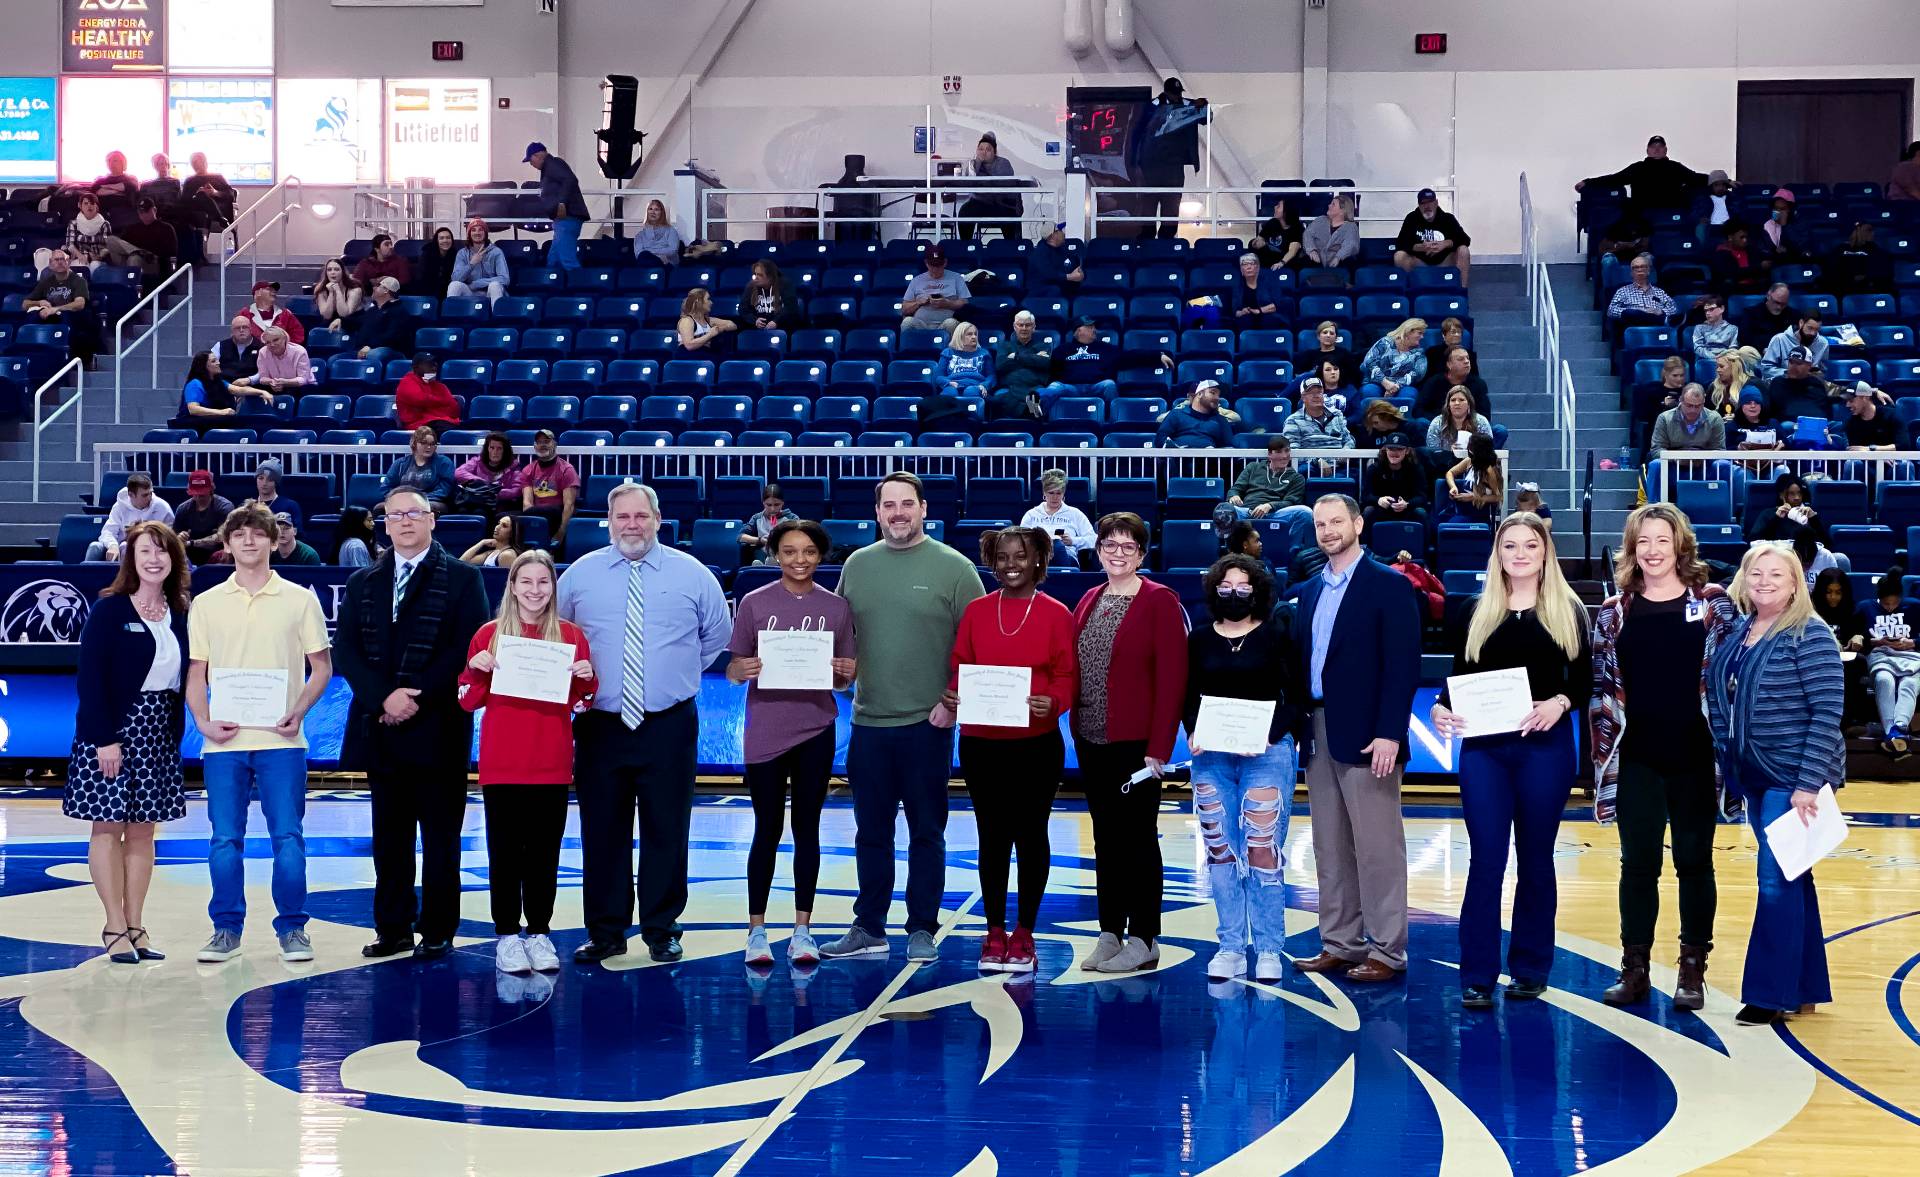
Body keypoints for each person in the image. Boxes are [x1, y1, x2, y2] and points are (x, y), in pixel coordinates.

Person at [558, 481, 732, 963]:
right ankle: (607, 930)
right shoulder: (579, 575)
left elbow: (716, 634)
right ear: (608, 522)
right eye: (623, 517)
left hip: (669, 722)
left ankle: (661, 927)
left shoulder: (693, 574)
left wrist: (670, 675)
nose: (632, 525)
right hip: (600, 724)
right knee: (602, 828)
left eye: (641, 516)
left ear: (658, 520)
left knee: (667, 828)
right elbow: (561, 634)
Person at [820, 473, 983, 963]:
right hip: (869, 724)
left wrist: (952, 699)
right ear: (876, 513)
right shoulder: (857, 565)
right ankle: (869, 925)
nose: (897, 513)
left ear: (923, 508)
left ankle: (921, 928)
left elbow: (977, 646)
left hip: (925, 726)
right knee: (870, 832)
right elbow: (843, 636)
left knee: (926, 833)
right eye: (888, 505)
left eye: (906, 504)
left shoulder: (954, 569)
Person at [1431, 513, 1590, 1008]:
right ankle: (1477, 973)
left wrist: (1559, 702)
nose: (1519, 554)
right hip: (1485, 752)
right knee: (1485, 861)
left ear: (1546, 553)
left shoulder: (1569, 610)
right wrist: (1440, 707)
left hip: (1544, 748)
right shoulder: (1475, 611)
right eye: (1510, 546)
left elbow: (1584, 682)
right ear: (1497, 555)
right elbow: (1459, 677)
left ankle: (1530, 966)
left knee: (1537, 859)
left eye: (1529, 545)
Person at [1590, 504, 1739, 1009]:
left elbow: (1734, 677)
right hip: (1637, 760)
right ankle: (1635, 970)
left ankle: (1692, 971)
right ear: (1632, 549)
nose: (1653, 550)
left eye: (1662, 539)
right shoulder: (1613, 613)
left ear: (1681, 544)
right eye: (1643, 541)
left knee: (1695, 865)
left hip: (1697, 757)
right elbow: (1601, 688)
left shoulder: (1714, 604)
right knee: (1638, 866)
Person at [333, 488, 490, 960]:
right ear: (384, 525)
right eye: (394, 515)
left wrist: (410, 695)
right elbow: (347, 652)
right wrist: (384, 697)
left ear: (431, 521)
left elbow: (467, 647)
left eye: (413, 514)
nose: (404, 522)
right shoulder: (365, 581)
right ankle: (393, 928)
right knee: (390, 839)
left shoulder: (464, 579)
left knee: (442, 839)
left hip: (438, 727)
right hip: (382, 727)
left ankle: (439, 928)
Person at [186, 503, 333, 965]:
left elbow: (322, 667)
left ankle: (293, 929)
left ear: (273, 541)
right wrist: (204, 722)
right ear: (226, 545)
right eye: (240, 534)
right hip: (224, 743)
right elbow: (195, 674)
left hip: (282, 740)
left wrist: (299, 711)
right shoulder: (207, 603)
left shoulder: (300, 598)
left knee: (287, 836)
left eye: (258, 533)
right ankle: (225, 929)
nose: (249, 540)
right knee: (224, 839)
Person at [1705, 542, 1844, 1026]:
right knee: (1792, 877)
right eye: (1755, 573)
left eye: (1776, 574)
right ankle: (1803, 987)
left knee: (1774, 882)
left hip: (1792, 778)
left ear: (1795, 584)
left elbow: (1828, 712)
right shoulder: (1741, 631)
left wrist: (1808, 782)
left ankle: (1769, 993)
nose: (1764, 581)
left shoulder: (1811, 634)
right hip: (1756, 776)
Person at [1292, 495, 1421, 982]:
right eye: (1320, 524)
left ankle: (1388, 950)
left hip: (1371, 735)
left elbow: (1402, 666)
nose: (1327, 531)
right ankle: (1340, 942)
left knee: (1378, 847)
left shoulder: (1388, 585)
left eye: (1336, 522)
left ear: (1359, 524)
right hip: (1319, 729)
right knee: (1329, 845)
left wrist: (1391, 732)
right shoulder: (1307, 590)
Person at [941, 527, 1076, 972]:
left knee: (1031, 836)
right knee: (992, 838)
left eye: (1021, 555)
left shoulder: (1056, 613)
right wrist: (955, 693)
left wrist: (1053, 702)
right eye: (1001, 556)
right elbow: (960, 665)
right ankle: (994, 931)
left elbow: (1066, 676)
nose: (1010, 564)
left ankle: (1025, 933)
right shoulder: (978, 611)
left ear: (1039, 561)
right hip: (982, 743)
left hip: (1035, 744)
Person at [458, 549, 596, 975]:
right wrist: (476, 670)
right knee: (503, 853)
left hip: (551, 761)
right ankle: (506, 936)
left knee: (543, 853)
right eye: (526, 582)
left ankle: (539, 932)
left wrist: (588, 680)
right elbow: (466, 701)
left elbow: (583, 704)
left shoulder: (571, 635)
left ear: (553, 588)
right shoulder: (488, 635)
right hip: (502, 761)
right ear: (512, 586)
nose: (535, 590)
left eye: (543, 582)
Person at [726, 519, 856, 966]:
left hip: (815, 730)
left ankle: (803, 929)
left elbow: (845, 678)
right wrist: (740, 671)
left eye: (808, 552)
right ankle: (756, 930)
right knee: (766, 829)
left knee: (807, 829)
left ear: (820, 556)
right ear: (774, 554)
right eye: (789, 551)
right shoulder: (754, 602)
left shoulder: (837, 608)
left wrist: (844, 672)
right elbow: (733, 668)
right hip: (765, 732)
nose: (799, 560)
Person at [67, 522, 191, 965]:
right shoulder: (110, 610)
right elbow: (91, 679)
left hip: (157, 735)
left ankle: (137, 925)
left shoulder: (180, 610)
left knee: (143, 833)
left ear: (174, 559)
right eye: (144, 552)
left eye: (162, 551)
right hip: (112, 734)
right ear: (131, 559)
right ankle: (113, 925)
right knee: (107, 828)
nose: (154, 559)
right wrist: (104, 739)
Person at [1071, 511, 1186, 973]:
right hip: (1091, 738)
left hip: (1137, 744)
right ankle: (1109, 932)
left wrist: (1159, 747)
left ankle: (1144, 936)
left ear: (1142, 553)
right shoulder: (1089, 598)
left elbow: (1173, 679)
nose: (1118, 553)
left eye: (1128, 546)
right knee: (1105, 839)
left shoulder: (1160, 600)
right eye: (1110, 544)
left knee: (1138, 839)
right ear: (1098, 550)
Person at [1186, 553, 1298, 983]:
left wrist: (1268, 735)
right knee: (1220, 849)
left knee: (1262, 848)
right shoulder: (1199, 639)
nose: (1234, 593)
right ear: (1215, 590)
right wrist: (1193, 730)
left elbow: (1297, 695)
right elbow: (1188, 695)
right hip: (1212, 756)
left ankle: (1269, 946)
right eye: (1226, 586)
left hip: (1267, 752)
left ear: (1259, 590)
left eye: (1243, 586)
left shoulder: (1277, 635)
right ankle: (1231, 945)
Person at [1214, 435, 1316, 555]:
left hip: (1275, 513)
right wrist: (1233, 496)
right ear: (1269, 454)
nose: (1284, 456)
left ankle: (1293, 551)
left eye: (1287, 451)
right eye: (1279, 452)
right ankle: (1229, 551)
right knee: (1223, 508)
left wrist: (1270, 505)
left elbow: (1292, 501)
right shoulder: (1253, 467)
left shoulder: (1296, 477)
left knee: (1305, 512)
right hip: (1246, 511)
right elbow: (1236, 488)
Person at [1134, 78, 1206, 239]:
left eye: (1178, 93)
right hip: (1151, 164)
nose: (1176, 97)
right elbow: (1138, 130)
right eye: (1174, 94)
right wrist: (1136, 162)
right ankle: (1147, 239)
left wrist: (1203, 104)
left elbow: (1206, 116)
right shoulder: (1152, 105)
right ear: (1166, 92)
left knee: (1171, 205)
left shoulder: (1187, 104)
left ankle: (1167, 240)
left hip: (1174, 165)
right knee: (1148, 204)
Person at [1859, 569, 1920, 753]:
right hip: (1881, 656)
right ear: (1879, 598)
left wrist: (1913, 642)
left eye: (1895, 603)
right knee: (1884, 681)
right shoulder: (1865, 608)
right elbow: (1854, 637)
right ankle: (1894, 733)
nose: (1891, 607)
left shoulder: (1915, 606)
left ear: (1902, 598)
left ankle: (1897, 729)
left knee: (1909, 683)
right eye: (1886, 604)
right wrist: (1870, 641)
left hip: (1911, 657)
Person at [1576, 135, 1705, 209]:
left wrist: (1720, 180)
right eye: (1653, 147)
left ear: (1665, 150)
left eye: (1660, 146)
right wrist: (1588, 182)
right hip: (1643, 215)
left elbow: (1695, 178)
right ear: (1647, 150)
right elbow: (1614, 178)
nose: (1656, 149)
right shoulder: (1638, 168)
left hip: (1672, 213)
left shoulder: (1676, 168)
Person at [23, 249, 95, 363]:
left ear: (68, 262)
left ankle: (65, 360)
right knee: (31, 317)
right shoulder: (46, 282)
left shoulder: (78, 281)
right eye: (57, 260)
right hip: (52, 316)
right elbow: (25, 304)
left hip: (71, 316)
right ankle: (30, 355)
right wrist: (39, 303)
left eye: (63, 259)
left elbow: (80, 304)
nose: (60, 262)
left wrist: (55, 309)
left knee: (65, 318)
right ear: (50, 264)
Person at [1392, 188, 1472, 286]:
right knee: (1399, 256)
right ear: (1419, 205)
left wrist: (1446, 243)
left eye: (1430, 202)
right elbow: (1400, 243)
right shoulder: (1411, 218)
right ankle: (1408, 291)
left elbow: (1466, 239)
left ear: (1436, 202)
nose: (1427, 206)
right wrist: (1420, 247)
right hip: (1420, 261)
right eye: (1423, 203)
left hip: (1444, 260)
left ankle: (1462, 290)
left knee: (1463, 250)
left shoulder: (1448, 218)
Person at [87, 473, 174, 563]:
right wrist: (112, 545)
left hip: (151, 551)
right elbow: (108, 531)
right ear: (131, 495)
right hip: (118, 549)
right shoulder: (119, 506)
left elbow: (171, 535)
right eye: (144, 495)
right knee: (94, 547)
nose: (149, 497)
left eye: (151, 493)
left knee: (126, 547)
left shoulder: (162, 507)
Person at [1023, 468, 1098, 567]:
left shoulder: (1075, 514)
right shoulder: (1031, 514)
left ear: (1064, 493)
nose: (1055, 497)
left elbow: (1093, 539)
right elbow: (1021, 541)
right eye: (1051, 493)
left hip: (1067, 557)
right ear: (1044, 492)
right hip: (1038, 556)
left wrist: (1072, 541)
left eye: (1058, 493)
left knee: (1057, 545)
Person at [515, 429, 580, 543]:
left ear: (554, 444)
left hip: (557, 513)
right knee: (503, 517)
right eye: (539, 442)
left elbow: (569, 505)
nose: (542, 445)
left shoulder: (567, 469)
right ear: (534, 446)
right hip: (535, 512)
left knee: (552, 511)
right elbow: (527, 504)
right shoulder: (528, 470)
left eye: (546, 441)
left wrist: (561, 532)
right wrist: (531, 520)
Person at [956, 132, 1022, 240]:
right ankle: (966, 246)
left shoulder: (1003, 163)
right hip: (979, 202)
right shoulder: (973, 164)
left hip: (1002, 203)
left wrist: (983, 182)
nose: (984, 152)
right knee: (965, 211)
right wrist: (977, 163)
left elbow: (1002, 185)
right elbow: (968, 183)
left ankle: (1012, 248)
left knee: (1010, 216)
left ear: (994, 152)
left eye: (988, 149)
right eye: (981, 149)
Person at [1040, 316, 1120, 404]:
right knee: (1055, 386)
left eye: (1094, 327)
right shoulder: (1063, 349)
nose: (1094, 330)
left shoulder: (1105, 348)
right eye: (1090, 327)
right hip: (1070, 387)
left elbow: (1128, 356)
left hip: (1096, 386)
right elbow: (1049, 365)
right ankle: (1034, 409)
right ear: (1078, 331)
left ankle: (1113, 416)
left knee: (1109, 384)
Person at [1362, 434, 1428, 535]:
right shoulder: (1375, 469)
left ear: (1407, 451)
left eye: (1399, 449)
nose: (1394, 453)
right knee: (1368, 511)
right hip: (1382, 509)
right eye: (1391, 449)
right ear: (1385, 450)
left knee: (1421, 513)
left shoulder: (1416, 469)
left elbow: (1422, 497)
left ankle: (1425, 549)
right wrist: (1378, 500)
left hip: (1407, 509)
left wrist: (1407, 504)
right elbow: (1366, 495)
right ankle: (1365, 546)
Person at [993, 310, 1054, 419]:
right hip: (1011, 386)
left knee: (1037, 396)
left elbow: (1045, 363)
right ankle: (1029, 411)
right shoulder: (1005, 346)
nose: (1024, 328)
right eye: (1020, 325)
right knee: (998, 399)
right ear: (1014, 326)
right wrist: (1033, 357)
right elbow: (1001, 365)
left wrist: (1016, 356)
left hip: (1034, 386)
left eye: (1028, 325)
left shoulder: (1043, 346)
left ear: (1034, 327)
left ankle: (1030, 411)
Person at [378, 427, 457, 511]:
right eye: (424, 443)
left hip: (432, 501)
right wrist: (400, 498)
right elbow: (386, 487)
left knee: (426, 508)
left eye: (433, 444)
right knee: (379, 508)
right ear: (414, 443)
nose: (429, 447)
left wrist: (418, 500)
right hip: (403, 501)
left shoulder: (444, 462)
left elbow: (445, 489)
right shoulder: (400, 463)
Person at [900, 247, 971, 333]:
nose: (935, 269)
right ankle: (909, 346)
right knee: (907, 322)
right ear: (926, 263)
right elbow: (904, 308)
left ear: (945, 263)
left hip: (945, 323)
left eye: (938, 265)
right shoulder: (916, 280)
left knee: (950, 323)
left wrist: (947, 303)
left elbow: (965, 303)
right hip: (921, 324)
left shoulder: (956, 278)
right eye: (932, 265)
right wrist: (918, 303)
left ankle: (950, 346)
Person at [354, 277, 418, 370]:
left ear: (386, 290)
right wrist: (340, 320)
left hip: (392, 351)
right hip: (366, 349)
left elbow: (391, 337)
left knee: (374, 354)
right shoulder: (373, 310)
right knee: (335, 359)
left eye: (378, 286)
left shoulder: (399, 311)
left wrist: (370, 346)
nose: (374, 288)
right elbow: (357, 321)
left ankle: (373, 383)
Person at [1746, 470, 1824, 545]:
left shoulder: (1809, 514)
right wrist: (1776, 519)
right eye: (1791, 493)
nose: (1797, 497)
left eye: (1799, 493)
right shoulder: (1768, 514)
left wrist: (1813, 520)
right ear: (1781, 495)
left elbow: (1826, 544)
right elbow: (1753, 541)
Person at [1413, 346, 1491, 420]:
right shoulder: (1434, 382)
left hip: (1469, 428)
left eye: (1468, 358)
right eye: (1461, 359)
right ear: (1449, 364)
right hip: (1439, 426)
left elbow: (1485, 415)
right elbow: (1418, 410)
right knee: (1421, 423)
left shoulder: (1479, 384)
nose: (1466, 361)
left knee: (1499, 429)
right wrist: (1441, 421)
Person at [173, 470, 234, 565]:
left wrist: (191, 543)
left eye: (201, 494)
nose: (197, 497)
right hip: (189, 558)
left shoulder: (224, 507)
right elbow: (174, 538)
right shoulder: (183, 509)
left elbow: (221, 537)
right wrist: (180, 537)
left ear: (211, 489)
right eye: (194, 493)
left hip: (217, 558)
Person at [1441, 433, 1504, 524]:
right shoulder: (1469, 461)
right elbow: (1450, 473)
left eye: (1470, 445)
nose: (1468, 447)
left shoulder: (1489, 470)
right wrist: (1453, 487)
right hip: (1461, 510)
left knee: (1451, 524)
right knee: (1440, 520)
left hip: (1478, 515)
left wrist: (1474, 497)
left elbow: (1498, 497)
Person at [453, 432, 520, 518]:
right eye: (492, 448)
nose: (495, 452)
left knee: (480, 512)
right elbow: (459, 472)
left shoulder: (513, 466)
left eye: (499, 448)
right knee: (462, 510)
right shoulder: (477, 461)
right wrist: (484, 484)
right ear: (487, 449)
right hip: (476, 500)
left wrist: (495, 492)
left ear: (505, 451)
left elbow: (516, 490)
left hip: (498, 504)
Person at [448, 218, 510, 307]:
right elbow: (456, 278)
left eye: (481, 229)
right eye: (473, 230)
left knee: (495, 285)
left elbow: (505, 279)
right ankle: (452, 318)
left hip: (490, 292)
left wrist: (477, 283)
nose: (477, 233)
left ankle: (496, 318)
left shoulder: (496, 252)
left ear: (485, 233)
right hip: (470, 292)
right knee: (454, 285)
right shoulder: (462, 253)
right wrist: (471, 264)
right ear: (469, 234)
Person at [1155, 379, 1234, 448]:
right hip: (1178, 460)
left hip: (1208, 461)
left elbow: (1229, 448)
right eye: (1213, 393)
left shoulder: (1220, 420)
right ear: (1199, 394)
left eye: (1218, 395)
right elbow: (1160, 439)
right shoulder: (1177, 414)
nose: (1217, 398)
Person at [1650, 384, 1726, 456]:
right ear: (1681, 400)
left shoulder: (1715, 419)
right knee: (1656, 464)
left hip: (1705, 463)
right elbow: (1656, 450)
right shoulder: (1665, 418)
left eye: (1697, 406)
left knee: (1723, 464)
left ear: (1703, 402)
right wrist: (1678, 458)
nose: (1693, 410)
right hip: (1672, 463)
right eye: (1689, 405)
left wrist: (1701, 458)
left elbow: (1719, 450)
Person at [1361, 318, 1429, 396]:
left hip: (1403, 386)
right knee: (1369, 391)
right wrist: (1385, 382)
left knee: (1409, 394)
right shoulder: (1385, 342)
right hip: (1377, 382)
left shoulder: (1419, 353)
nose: (1422, 337)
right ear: (1408, 332)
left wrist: (1395, 387)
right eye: (1419, 333)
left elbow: (1417, 374)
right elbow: (1369, 362)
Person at [1606, 254, 1678, 328]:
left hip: (1657, 327)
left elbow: (1673, 307)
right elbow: (1611, 310)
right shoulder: (1622, 291)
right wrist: (1638, 310)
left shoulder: (1659, 292)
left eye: (1643, 267)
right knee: (1631, 313)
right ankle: (1662, 320)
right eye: (1636, 267)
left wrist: (1660, 311)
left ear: (1648, 271)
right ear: (1631, 273)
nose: (1639, 269)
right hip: (1635, 325)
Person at [1764, 347, 1832, 424]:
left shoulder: (1817, 383)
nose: (1793, 366)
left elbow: (1826, 409)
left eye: (1798, 363)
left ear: (1809, 365)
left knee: (1838, 425)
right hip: (1791, 426)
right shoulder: (1777, 383)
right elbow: (1770, 412)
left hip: (1818, 425)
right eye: (1791, 362)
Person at [1281, 377, 1354, 449]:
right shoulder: (1293, 421)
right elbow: (1293, 451)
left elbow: (1348, 441)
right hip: (1309, 460)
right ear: (1303, 397)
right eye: (1311, 393)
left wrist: (1344, 453)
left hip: (1338, 460)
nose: (1316, 396)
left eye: (1319, 392)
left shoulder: (1337, 415)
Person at [395, 353, 459, 433]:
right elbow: (420, 400)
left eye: (435, 363)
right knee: (448, 431)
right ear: (416, 367)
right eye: (429, 364)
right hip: (420, 426)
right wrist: (441, 402)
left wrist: (433, 403)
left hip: (444, 422)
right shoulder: (407, 382)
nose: (434, 366)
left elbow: (454, 409)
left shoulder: (440, 386)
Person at [240, 327, 315, 394]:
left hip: (303, 387)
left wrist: (285, 382)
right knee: (254, 392)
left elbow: (303, 379)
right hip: (276, 386)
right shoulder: (263, 352)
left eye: (275, 340)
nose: (272, 344)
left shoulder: (299, 351)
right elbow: (263, 378)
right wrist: (271, 382)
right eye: (268, 342)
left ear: (284, 338)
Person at [118, 199, 177, 284]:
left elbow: (171, 251)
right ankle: (139, 252)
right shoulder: (132, 229)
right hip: (129, 259)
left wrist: (151, 254)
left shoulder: (166, 228)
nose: (144, 215)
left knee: (134, 259)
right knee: (111, 240)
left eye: (147, 211)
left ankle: (131, 291)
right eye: (141, 212)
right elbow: (121, 245)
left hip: (154, 263)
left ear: (154, 210)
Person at [1759, 311, 1829, 383]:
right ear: (1801, 323)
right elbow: (1766, 369)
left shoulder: (1823, 344)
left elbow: (1823, 371)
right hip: (1782, 383)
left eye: (1816, 329)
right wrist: (1791, 373)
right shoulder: (1779, 339)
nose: (1813, 333)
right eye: (1810, 328)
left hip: (1808, 386)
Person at [739, 483, 798, 565]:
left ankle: (774, 564)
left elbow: (801, 537)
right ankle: (761, 567)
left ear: (782, 503)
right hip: (762, 552)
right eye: (769, 505)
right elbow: (741, 537)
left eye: (777, 505)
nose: (772, 509)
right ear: (763, 503)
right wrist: (760, 540)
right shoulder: (757, 518)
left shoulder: (792, 518)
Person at [1825, 222, 1893, 294]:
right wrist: (1850, 278)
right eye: (1867, 231)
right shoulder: (1839, 250)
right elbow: (1831, 271)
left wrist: (1866, 277)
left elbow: (1884, 274)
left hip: (1870, 289)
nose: (1871, 233)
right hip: (1843, 289)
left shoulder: (1879, 252)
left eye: (1871, 231)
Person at [1222, 253, 1285, 328]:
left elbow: (1277, 304)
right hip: (1245, 320)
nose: (1248, 267)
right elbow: (1234, 311)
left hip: (1268, 317)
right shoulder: (1236, 287)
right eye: (1245, 264)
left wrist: (1258, 311)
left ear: (1258, 267)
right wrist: (1242, 312)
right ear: (1241, 270)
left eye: (1252, 263)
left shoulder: (1270, 282)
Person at [674, 287, 737, 359]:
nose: (711, 302)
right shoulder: (687, 320)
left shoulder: (709, 320)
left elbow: (732, 325)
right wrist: (710, 334)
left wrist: (719, 329)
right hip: (688, 356)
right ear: (698, 302)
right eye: (708, 299)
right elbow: (689, 346)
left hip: (705, 354)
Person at [934, 322, 995, 396]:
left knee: (971, 392)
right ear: (959, 336)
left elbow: (991, 376)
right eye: (969, 334)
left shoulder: (984, 353)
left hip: (976, 385)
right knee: (950, 393)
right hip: (953, 384)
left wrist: (984, 385)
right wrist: (948, 382)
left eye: (975, 334)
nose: (974, 337)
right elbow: (938, 376)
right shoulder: (948, 352)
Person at [1425, 386, 1492, 452]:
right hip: (1445, 461)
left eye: (1461, 400)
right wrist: (1449, 452)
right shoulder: (1437, 422)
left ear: (1469, 404)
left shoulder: (1481, 421)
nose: (1457, 403)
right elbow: (1432, 451)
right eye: (1453, 400)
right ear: (1448, 405)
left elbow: (1487, 449)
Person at [1302, 194, 1360, 270]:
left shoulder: (1350, 227)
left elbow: (1351, 245)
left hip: (1340, 263)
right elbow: (1307, 234)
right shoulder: (1320, 220)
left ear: (1342, 211)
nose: (1329, 205)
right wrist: (1312, 250)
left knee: (1348, 263)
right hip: (1317, 260)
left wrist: (1338, 257)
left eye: (1333, 204)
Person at [739, 259, 800, 332]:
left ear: (770, 276)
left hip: (782, 328)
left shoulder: (785, 284)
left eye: (760, 275)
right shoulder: (751, 286)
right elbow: (743, 309)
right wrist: (755, 320)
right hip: (757, 329)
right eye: (755, 274)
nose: (756, 278)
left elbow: (791, 307)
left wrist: (776, 321)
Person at [180, 152, 236, 229]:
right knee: (201, 195)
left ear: (205, 162)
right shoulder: (190, 181)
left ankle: (219, 219)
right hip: (198, 214)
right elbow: (184, 201)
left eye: (201, 161)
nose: (199, 164)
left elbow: (231, 195)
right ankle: (220, 220)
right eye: (195, 162)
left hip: (220, 209)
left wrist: (215, 192)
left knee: (202, 195)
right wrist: (197, 195)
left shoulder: (218, 177)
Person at [239, 281, 305, 346]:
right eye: (269, 289)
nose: (274, 292)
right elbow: (238, 335)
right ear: (258, 293)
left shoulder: (285, 314)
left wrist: (284, 346)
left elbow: (298, 335)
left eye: (274, 290)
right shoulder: (245, 314)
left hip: (280, 354)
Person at [1708, 223, 1764, 294]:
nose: (1745, 240)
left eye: (1746, 237)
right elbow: (1732, 274)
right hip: (1732, 293)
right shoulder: (1721, 253)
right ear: (1730, 237)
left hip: (1753, 290)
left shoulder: (1751, 251)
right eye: (1742, 237)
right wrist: (1759, 267)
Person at [1754, 188, 1804, 266]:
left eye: (1782, 209)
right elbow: (1761, 249)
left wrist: (1784, 226)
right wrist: (1774, 251)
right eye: (1776, 208)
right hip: (1772, 265)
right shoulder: (1766, 225)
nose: (1778, 212)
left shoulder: (1800, 224)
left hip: (1794, 264)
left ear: (1790, 210)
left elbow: (1801, 247)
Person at [1739, 282, 1796, 349]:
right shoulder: (1751, 313)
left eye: (1783, 304)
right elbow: (1744, 338)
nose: (1779, 307)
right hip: (1758, 351)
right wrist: (1763, 349)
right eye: (1776, 302)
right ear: (1768, 296)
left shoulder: (1794, 315)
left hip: (1785, 352)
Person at [1249, 199, 1303, 269]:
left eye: (1278, 206)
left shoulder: (1297, 228)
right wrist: (1257, 243)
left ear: (1286, 212)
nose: (1275, 207)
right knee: (1251, 243)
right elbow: (1259, 238)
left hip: (1284, 260)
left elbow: (1292, 251)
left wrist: (1281, 263)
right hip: (1268, 255)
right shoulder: (1272, 222)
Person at [1844, 382, 1899, 451]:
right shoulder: (1850, 422)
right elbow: (1855, 450)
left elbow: (1903, 446)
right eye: (1846, 401)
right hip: (1866, 460)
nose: (1847, 405)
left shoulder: (1891, 415)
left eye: (1851, 400)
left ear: (1865, 398)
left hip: (1893, 459)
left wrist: (1873, 450)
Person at [313, 258, 362, 331]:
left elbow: (344, 314)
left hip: (352, 322)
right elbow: (327, 315)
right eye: (329, 270)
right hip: (332, 321)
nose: (332, 272)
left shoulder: (355, 289)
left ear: (343, 272)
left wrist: (338, 290)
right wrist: (331, 293)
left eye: (336, 269)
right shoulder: (321, 289)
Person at [631, 198, 684, 265]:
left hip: (666, 264)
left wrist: (651, 253)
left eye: (656, 209)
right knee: (644, 256)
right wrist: (655, 254)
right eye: (650, 209)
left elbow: (672, 250)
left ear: (662, 213)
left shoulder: (671, 231)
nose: (653, 212)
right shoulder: (640, 235)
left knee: (648, 256)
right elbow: (639, 253)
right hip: (646, 263)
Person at [1689, 169, 1736, 239]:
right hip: (1709, 225)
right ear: (1711, 186)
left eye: (1723, 185)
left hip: (1728, 224)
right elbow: (1694, 213)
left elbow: (1739, 212)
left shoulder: (1732, 198)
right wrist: (1700, 219)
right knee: (1700, 228)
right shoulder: (1703, 198)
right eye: (1716, 185)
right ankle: (1702, 248)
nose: (1720, 188)